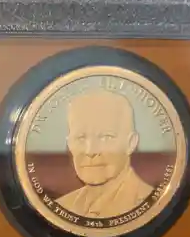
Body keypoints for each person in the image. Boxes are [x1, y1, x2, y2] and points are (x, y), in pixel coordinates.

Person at [56, 89, 153, 218]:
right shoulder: (61, 207)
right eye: (81, 137)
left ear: (131, 143)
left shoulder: (150, 205)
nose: (90, 151)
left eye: (106, 137)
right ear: (69, 144)